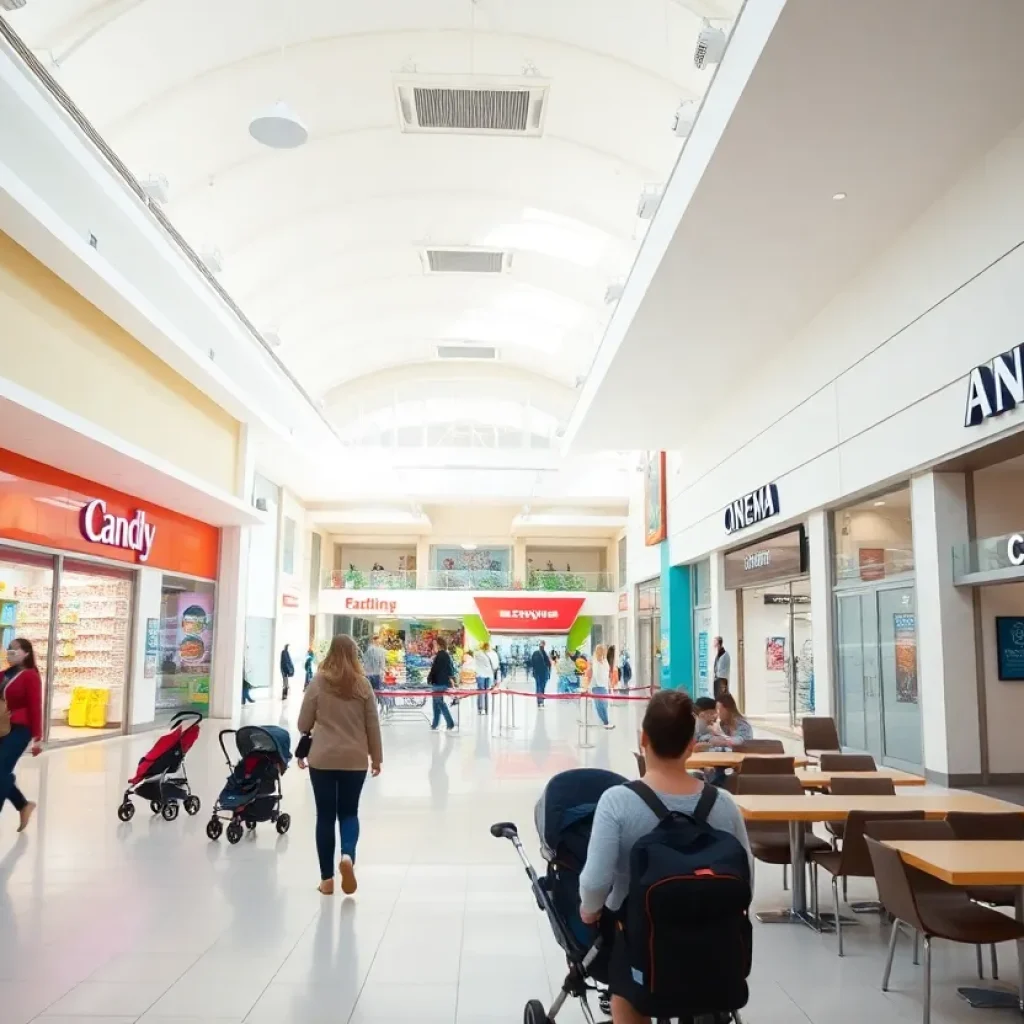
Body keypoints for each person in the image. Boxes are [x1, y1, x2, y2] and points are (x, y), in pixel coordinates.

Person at [578, 690, 752, 1024]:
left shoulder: (617, 802)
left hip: (641, 940)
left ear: (643, 739)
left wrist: (589, 912)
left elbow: (595, 882)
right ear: (691, 745)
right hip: (712, 944)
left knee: (626, 990)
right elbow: (747, 881)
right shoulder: (724, 804)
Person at [297, 635, 383, 896]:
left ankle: (326, 880)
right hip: (354, 760)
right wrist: (376, 758)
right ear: (355, 654)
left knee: (324, 816)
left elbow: (303, 723)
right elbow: (372, 726)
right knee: (348, 813)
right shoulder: (363, 685)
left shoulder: (319, 682)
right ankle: (347, 855)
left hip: (322, 759)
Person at [0, 639, 43, 832]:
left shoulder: (30, 676)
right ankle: (23, 805)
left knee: (1, 771)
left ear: (26, 653)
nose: (11, 651)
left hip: (21, 729)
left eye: (15, 649)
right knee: (2, 772)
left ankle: (22, 805)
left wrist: (37, 737)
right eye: (9, 648)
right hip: (3, 727)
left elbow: (35, 706)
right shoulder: (5, 674)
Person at [427, 637, 456, 731]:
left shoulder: (441, 655)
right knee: (436, 703)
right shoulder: (444, 655)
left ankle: (450, 723)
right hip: (439, 682)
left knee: (439, 702)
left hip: (439, 683)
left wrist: (429, 678)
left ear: (439, 645)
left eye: (435, 644)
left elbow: (435, 670)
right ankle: (435, 724)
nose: (433, 646)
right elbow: (450, 669)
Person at [586, 644, 614, 730]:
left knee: (604, 705)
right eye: (600, 650)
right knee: (599, 706)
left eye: (602, 650)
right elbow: (595, 676)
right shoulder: (594, 662)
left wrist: (609, 686)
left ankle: (605, 722)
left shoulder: (605, 661)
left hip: (604, 686)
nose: (601, 652)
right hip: (597, 687)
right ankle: (606, 722)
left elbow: (607, 674)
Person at [474, 641, 495, 715]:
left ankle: (481, 709)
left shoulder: (477, 654)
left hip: (480, 675)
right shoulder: (489, 654)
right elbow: (494, 665)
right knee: (486, 692)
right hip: (488, 675)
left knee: (481, 691)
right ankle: (486, 709)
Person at [529, 640, 552, 708]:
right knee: (540, 687)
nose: (542, 646)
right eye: (541, 645)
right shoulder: (537, 653)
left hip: (541, 673)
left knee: (541, 686)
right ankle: (540, 700)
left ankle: (540, 700)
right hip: (540, 673)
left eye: (543, 645)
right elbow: (533, 663)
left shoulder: (543, 653)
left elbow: (549, 664)